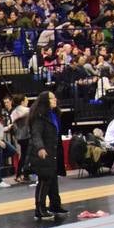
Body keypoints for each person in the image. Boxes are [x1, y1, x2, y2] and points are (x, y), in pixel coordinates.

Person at [26, 91, 66, 221]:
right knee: (44, 180)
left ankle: (55, 205)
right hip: (42, 153)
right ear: (45, 101)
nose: (55, 100)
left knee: (52, 180)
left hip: (52, 151)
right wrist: (40, 148)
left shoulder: (53, 115)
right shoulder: (40, 117)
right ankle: (40, 209)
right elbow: (36, 134)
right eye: (52, 98)